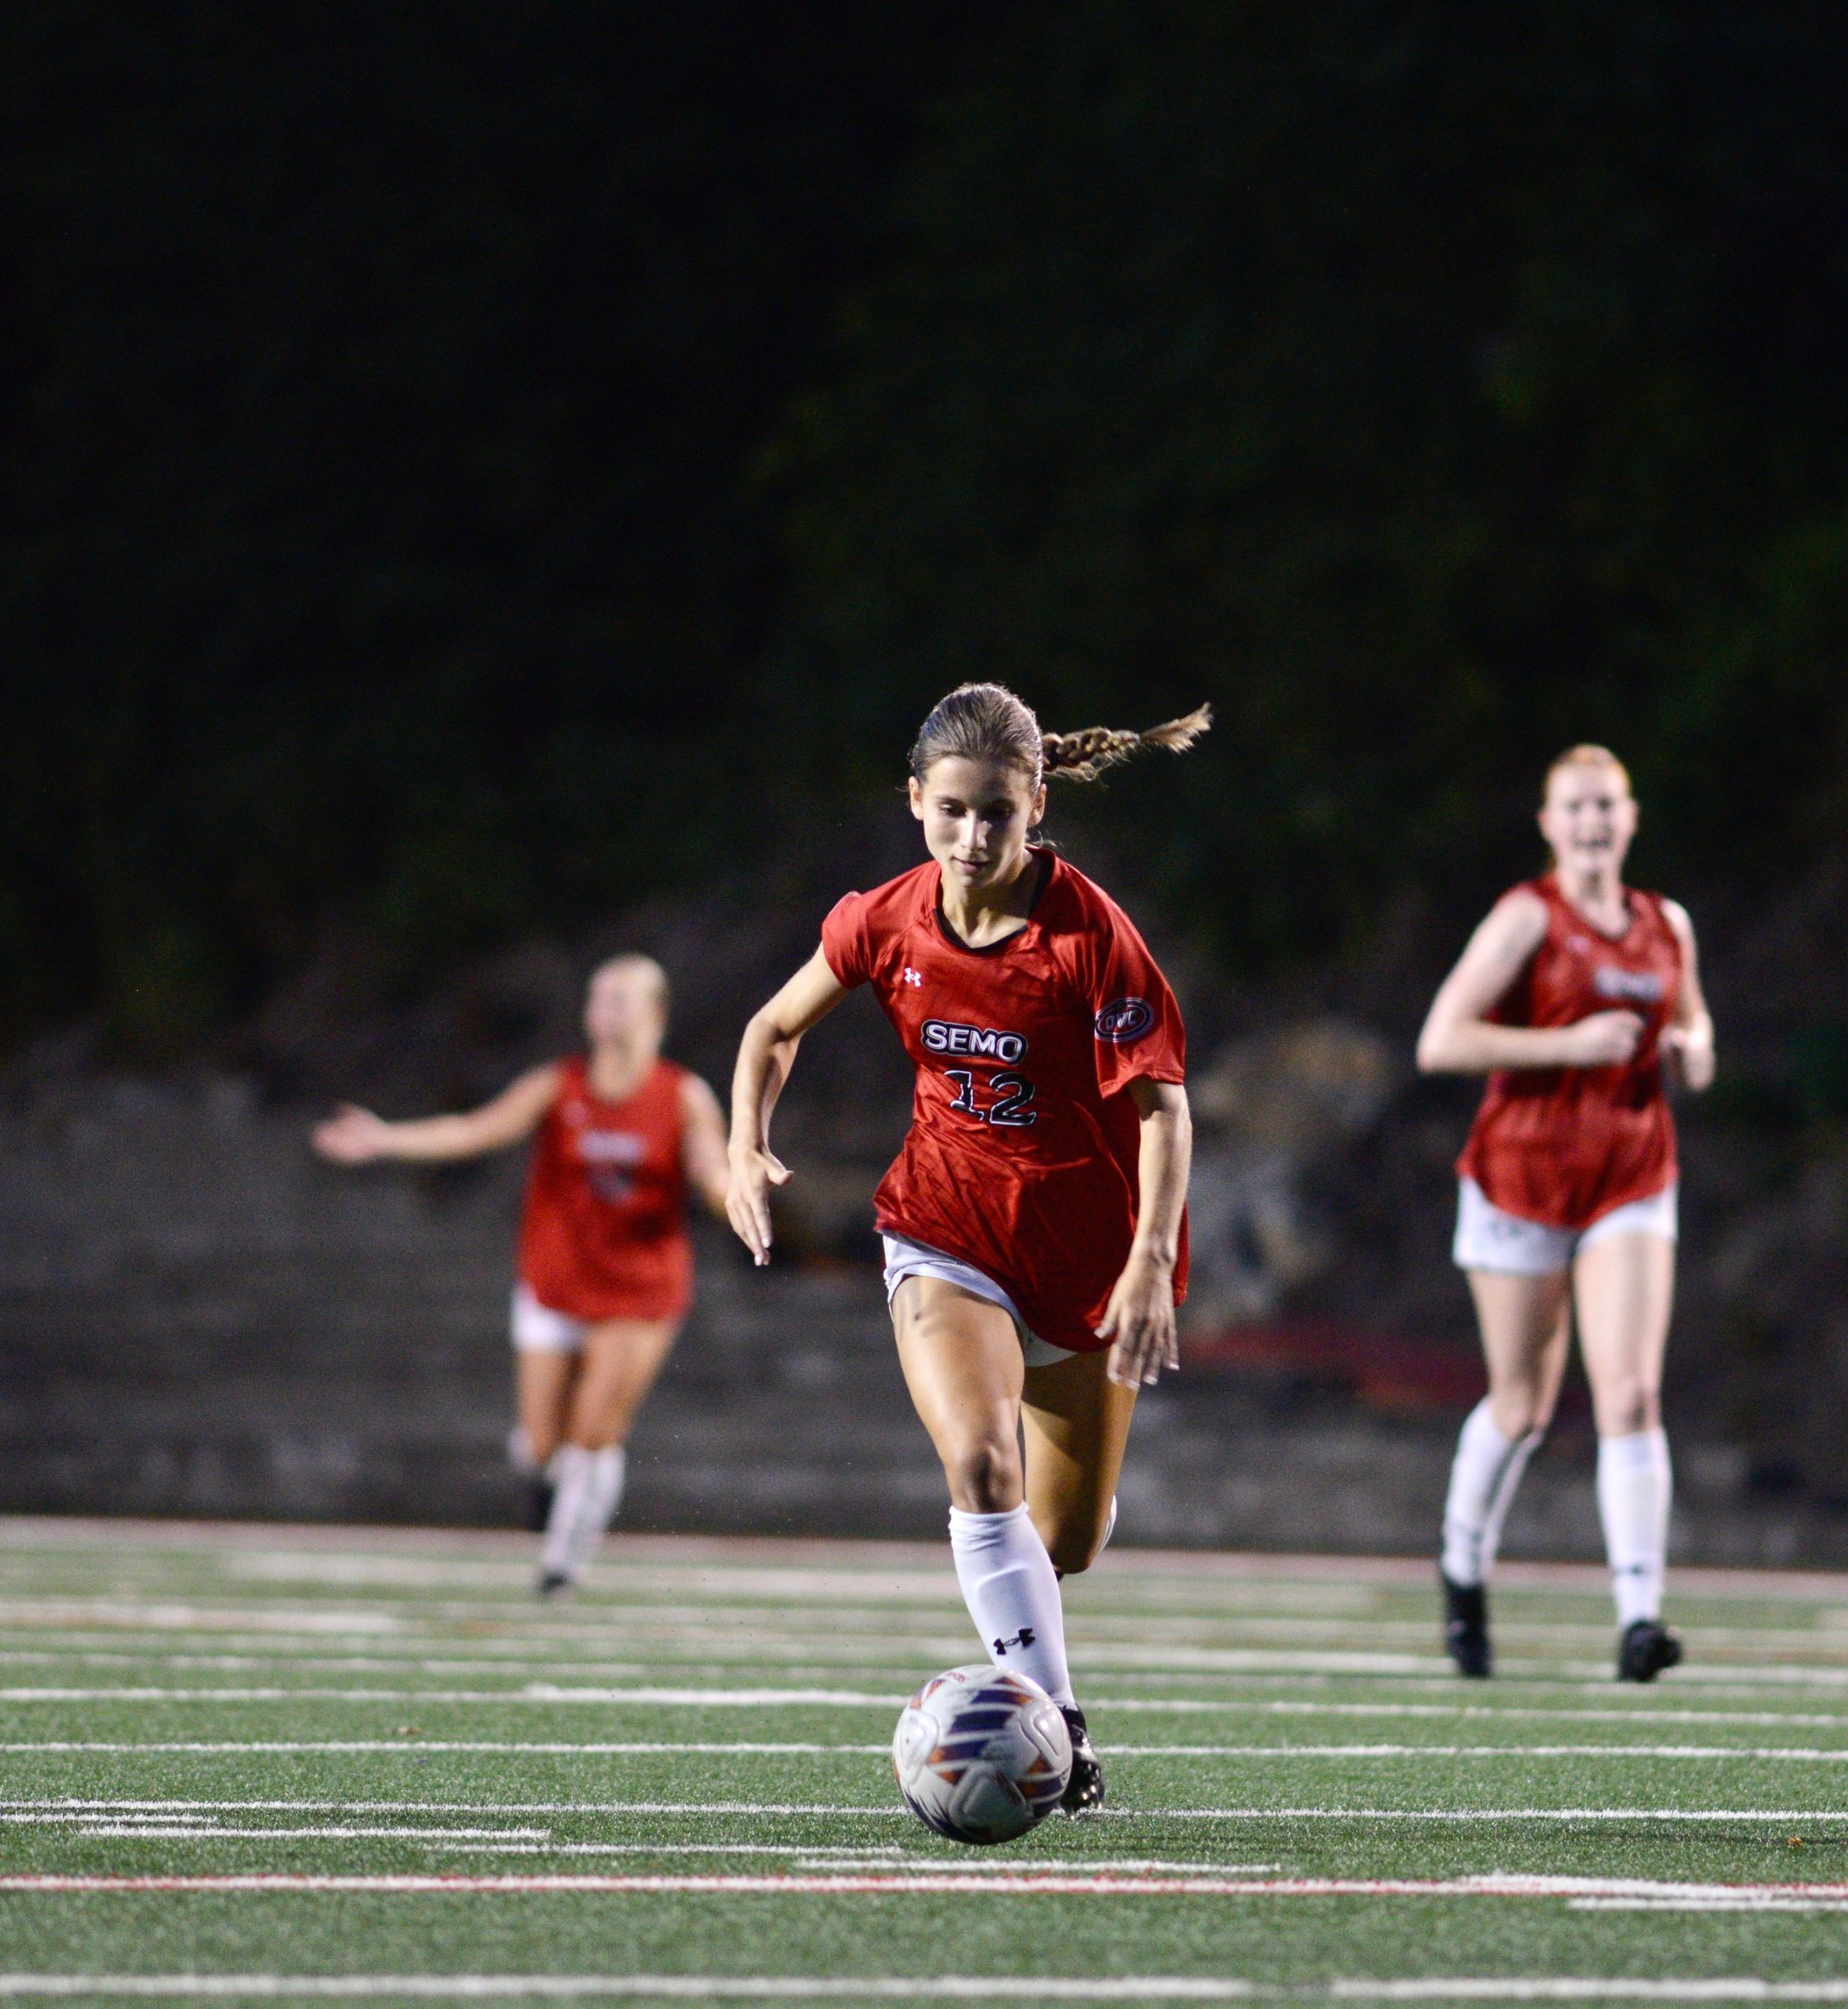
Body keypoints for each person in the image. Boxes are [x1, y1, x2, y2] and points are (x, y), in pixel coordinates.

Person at [723, 682, 1206, 1816]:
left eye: (996, 812)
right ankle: (1065, 1738)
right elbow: (770, 1029)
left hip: (1088, 1254)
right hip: (945, 1227)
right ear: (914, 802)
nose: (973, 836)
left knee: (1067, 1539)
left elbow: (1165, 1110)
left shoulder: (1090, 934)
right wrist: (745, 1146)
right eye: (950, 810)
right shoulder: (886, 918)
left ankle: (1031, 1597)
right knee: (982, 1466)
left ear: (1037, 802)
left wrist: (1146, 1261)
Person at [1414, 744, 1717, 1683]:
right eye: (1574, 807)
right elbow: (1441, 1040)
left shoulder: (1667, 922)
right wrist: (1570, 1041)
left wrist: (1692, 1050)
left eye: (1606, 806)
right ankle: (1463, 1568)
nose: (1592, 821)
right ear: (1549, 823)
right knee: (1522, 1405)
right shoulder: (1525, 916)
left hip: (1630, 1173)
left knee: (1629, 1391)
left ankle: (1639, 1618)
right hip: (1521, 1176)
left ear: (1631, 818)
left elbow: (1698, 1025)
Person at [312, 953, 733, 1594]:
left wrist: (736, 1194)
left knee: (595, 1428)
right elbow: (477, 1128)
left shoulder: (683, 1094)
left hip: (639, 1288)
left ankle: (562, 1562)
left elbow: (710, 1168)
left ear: (655, 1013)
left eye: (619, 997)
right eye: (597, 996)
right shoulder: (558, 1084)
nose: (602, 1009)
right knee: (542, 1445)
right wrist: (384, 1139)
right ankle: (549, 1491)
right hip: (556, 1279)